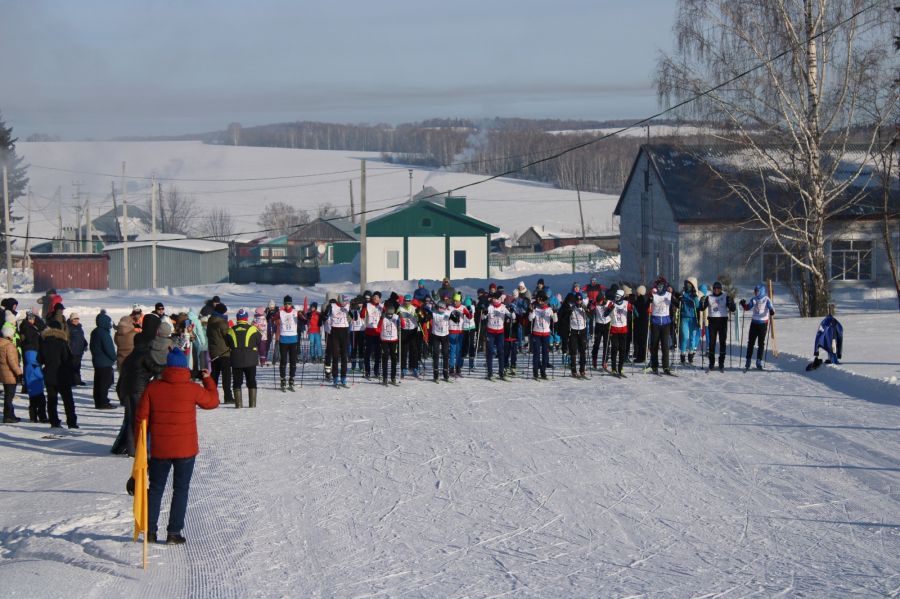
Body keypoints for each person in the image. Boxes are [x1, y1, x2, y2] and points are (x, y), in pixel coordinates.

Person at [136, 348, 219, 545]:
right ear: (184, 367)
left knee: (156, 489)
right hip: (185, 449)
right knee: (180, 489)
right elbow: (212, 402)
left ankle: (150, 531)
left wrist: (140, 446)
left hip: (160, 448)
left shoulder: (153, 388)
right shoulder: (192, 388)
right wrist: (208, 380)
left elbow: (141, 419)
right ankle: (173, 532)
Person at [112, 315, 164, 456]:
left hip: (126, 389)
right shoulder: (144, 354)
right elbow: (155, 368)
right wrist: (168, 368)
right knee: (137, 419)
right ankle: (134, 449)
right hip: (137, 390)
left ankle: (125, 447)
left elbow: (123, 375)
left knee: (130, 419)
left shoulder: (130, 356)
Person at [41, 320, 78, 429]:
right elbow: (68, 359)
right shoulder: (62, 342)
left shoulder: (44, 342)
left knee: (52, 399)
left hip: (49, 374)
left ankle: (54, 421)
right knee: (68, 400)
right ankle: (71, 422)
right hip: (62, 375)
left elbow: (40, 359)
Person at [227, 309, 260, 408]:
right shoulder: (252, 329)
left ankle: (238, 404)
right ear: (246, 318)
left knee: (237, 382)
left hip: (236, 360)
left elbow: (227, 342)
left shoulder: (231, 330)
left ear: (237, 318)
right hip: (250, 360)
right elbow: (258, 340)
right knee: (251, 381)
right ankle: (252, 404)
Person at [19, 310, 47, 423]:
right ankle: (40, 416)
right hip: (32, 358)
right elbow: (32, 338)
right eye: (32, 318)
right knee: (38, 395)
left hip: (33, 359)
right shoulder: (27, 328)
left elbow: (42, 328)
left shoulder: (28, 327)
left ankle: (34, 416)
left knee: (34, 395)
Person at [701, 281, 736, 372]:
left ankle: (721, 363)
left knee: (722, 342)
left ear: (721, 289)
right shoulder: (709, 297)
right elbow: (702, 308)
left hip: (722, 321)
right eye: (715, 288)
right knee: (711, 343)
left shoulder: (725, 296)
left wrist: (731, 302)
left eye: (718, 288)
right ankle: (711, 363)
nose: (716, 290)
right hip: (712, 321)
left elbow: (733, 309)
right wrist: (702, 302)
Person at [740, 283, 775, 370]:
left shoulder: (766, 299)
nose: (755, 292)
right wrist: (743, 304)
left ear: (761, 291)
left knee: (761, 343)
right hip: (754, 323)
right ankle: (748, 360)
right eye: (755, 291)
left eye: (757, 291)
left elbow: (771, 307)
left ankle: (759, 361)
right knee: (750, 342)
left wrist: (771, 311)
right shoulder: (754, 299)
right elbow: (748, 307)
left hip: (763, 323)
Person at [89, 310, 118, 409]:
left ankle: (98, 401)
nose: (110, 324)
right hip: (104, 362)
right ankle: (103, 402)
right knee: (104, 383)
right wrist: (114, 358)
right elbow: (109, 348)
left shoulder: (95, 332)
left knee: (98, 382)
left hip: (97, 361)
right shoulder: (104, 334)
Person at [206, 303, 234, 404]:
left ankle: (210, 396)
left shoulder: (210, 321)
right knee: (226, 376)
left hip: (213, 352)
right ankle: (228, 397)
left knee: (214, 375)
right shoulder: (222, 322)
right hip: (223, 352)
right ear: (222, 312)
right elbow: (227, 336)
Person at [648, 277, 674, 375]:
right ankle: (654, 365)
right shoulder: (653, 294)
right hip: (655, 322)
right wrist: (650, 297)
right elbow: (647, 303)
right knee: (654, 345)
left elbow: (676, 302)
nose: (660, 287)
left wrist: (675, 295)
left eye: (662, 286)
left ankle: (666, 366)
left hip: (666, 323)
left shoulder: (668, 294)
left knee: (665, 346)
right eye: (658, 286)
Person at [528, 291, 556, 380]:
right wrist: (531, 311)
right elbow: (530, 319)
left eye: (541, 299)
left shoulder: (549, 309)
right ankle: (535, 372)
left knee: (545, 353)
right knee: (536, 353)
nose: (540, 301)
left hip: (546, 334)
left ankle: (543, 371)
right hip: (536, 333)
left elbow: (555, 320)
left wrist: (555, 312)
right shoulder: (535, 308)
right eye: (538, 299)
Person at [274, 295, 299, 391]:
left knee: (293, 361)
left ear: (291, 304)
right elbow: (272, 319)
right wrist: (273, 314)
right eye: (285, 303)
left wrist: (306, 315)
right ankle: (283, 380)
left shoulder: (295, 312)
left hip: (293, 340)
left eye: (289, 303)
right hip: (283, 340)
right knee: (283, 361)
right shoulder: (280, 312)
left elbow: (305, 319)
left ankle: (291, 379)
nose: (287, 305)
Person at [483, 294, 511, 381]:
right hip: (490, 332)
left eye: (497, 299)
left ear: (500, 299)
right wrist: (484, 313)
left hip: (500, 333)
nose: (495, 300)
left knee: (501, 352)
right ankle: (490, 373)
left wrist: (512, 312)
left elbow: (512, 316)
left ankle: (501, 373)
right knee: (490, 352)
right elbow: (483, 318)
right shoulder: (490, 307)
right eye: (494, 299)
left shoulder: (503, 307)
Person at [561, 292, 589, 378]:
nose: (579, 301)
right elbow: (564, 318)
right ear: (575, 300)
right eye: (577, 299)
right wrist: (569, 311)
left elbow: (591, 316)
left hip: (582, 331)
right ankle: (573, 370)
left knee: (582, 351)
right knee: (573, 351)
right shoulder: (572, 308)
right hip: (573, 331)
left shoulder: (584, 307)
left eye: (580, 299)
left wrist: (587, 310)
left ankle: (582, 370)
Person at [326, 294, 350, 387]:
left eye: (346, 301)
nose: (345, 303)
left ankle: (343, 377)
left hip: (344, 331)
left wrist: (353, 311)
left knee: (344, 356)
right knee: (335, 356)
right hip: (335, 331)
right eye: (344, 301)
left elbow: (354, 317)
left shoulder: (348, 306)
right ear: (339, 300)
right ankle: (335, 377)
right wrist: (326, 312)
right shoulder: (332, 306)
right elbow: (325, 315)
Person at [608, 289, 633, 377]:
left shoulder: (626, 303)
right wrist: (609, 309)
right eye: (616, 296)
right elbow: (605, 314)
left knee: (622, 349)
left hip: (623, 329)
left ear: (622, 297)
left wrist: (633, 309)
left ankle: (620, 368)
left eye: (618, 297)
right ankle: (613, 368)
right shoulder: (612, 303)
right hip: (614, 328)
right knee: (614, 348)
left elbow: (636, 313)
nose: (616, 298)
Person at [0, 322, 22, 423]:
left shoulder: (1, 344)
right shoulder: (9, 346)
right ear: (9, 335)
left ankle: (9, 415)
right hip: (10, 374)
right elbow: (12, 362)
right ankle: (8, 416)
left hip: (3, 373)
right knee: (9, 396)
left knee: (7, 396)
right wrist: (19, 373)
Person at [678, 278, 701, 365]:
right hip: (684, 317)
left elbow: (698, 306)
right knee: (684, 336)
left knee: (692, 337)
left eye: (689, 284)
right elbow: (678, 304)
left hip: (693, 318)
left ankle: (690, 355)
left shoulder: (694, 294)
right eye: (686, 284)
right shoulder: (682, 293)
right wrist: (679, 299)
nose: (688, 286)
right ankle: (682, 354)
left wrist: (695, 297)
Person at [448, 293, 471, 377]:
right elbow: (445, 315)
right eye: (454, 301)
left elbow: (469, 316)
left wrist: (469, 312)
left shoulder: (463, 308)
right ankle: (451, 367)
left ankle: (458, 367)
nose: (455, 302)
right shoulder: (450, 308)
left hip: (460, 332)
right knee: (452, 350)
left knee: (459, 350)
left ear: (460, 301)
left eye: (457, 301)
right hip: (451, 331)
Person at [362, 291, 383, 380]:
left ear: (379, 299)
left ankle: (376, 371)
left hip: (378, 332)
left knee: (378, 353)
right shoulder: (368, 305)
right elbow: (362, 315)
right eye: (374, 297)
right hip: (369, 331)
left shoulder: (382, 306)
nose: (375, 298)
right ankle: (367, 371)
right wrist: (364, 307)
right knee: (368, 352)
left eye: (377, 297)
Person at [378, 303, 401, 385]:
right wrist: (381, 319)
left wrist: (400, 320)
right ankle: (385, 377)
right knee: (385, 357)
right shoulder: (383, 317)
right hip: (385, 339)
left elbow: (402, 325)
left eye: (391, 312)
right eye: (388, 312)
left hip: (394, 340)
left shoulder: (396, 317)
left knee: (394, 358)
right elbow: (378, 328)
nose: (390, 314)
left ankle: (393, 377)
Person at [428, 300, 451, 382]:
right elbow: (426, 317)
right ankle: (436, 376)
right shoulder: (433, 313)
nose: (440, 309)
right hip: (436, 336)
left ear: (445, 308)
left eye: (442, 308)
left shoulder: (448, 313)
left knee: (445, 354)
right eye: (439, 307)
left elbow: (456, 319)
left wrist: (456, 316)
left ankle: (446, 375)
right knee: (436, 354)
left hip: (445, 336)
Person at [398, 295, 420, 378]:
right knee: (404, 350)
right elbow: (396, 316)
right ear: (403, 300)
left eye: (408, 300)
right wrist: (399, 318)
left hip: (413, 330)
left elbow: (419, 318)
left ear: (411, 301)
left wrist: (418, 316)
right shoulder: (400, 308)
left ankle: (414, 367)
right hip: (404, 330)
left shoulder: (414, 308)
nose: (407, 302)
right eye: (405, 300)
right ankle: (403, 368)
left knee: (414, 350)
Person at [591, 292, 612, 370]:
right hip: (598, 325)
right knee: (596, 343)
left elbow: (613, 307)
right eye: (597, 301)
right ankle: (594, 359)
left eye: (599, 301)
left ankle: (605, 361)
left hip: (607, 324)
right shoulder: (595, 303)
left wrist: (611, 307)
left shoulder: (608, 302)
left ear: (603, 299)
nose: (598, 303)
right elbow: (590, 309)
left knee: (606, 344)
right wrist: (591, 306)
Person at [66, 312, 87, 385]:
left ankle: (77, 380)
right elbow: (67, 339)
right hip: (72, 351)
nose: (76, 320)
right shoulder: (68, 327)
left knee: (78, 366)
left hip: (79, 350)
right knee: (72, 367)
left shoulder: (79, 327)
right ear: (71, 319)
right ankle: (71, 381)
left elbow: (82, 337)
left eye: (77, 319)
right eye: (74, 319)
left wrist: (85, 344)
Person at [632, 285, 650, 363]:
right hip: (643, 322)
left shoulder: (640, 300)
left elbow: (639, 312)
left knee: (640, 340)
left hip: (640, 322)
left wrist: (634, 308)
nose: (636, 293)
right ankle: (642, 355)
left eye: (637, 292)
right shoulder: (643, 299)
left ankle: (641, 357)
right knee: (642, 340)